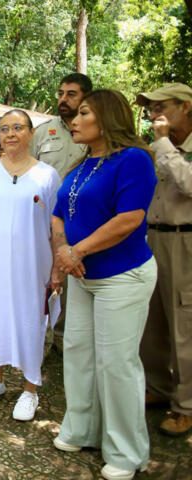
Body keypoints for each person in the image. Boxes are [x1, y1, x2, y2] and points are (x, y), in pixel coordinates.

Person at [51, 90, 157, 480]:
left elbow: (130, 218)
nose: (74, 120)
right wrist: (64, 251)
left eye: (83, 113)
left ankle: (127, 452)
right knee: (78, 354)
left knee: (117, 365)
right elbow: (59, 215)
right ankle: (82, 428)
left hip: (122, 277)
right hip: (83, 276)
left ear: (107, 118)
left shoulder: (133, 160)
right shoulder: (80, 166)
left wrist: (75, 252)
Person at [0, 110, 60, 421]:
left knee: (32, 321)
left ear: (31, 133)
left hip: (33, 266)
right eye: (4, 128)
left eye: (18, 127)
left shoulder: (47, 175)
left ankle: (30, 390)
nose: (10, 134)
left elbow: (57, 227)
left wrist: (58, 267)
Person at [135, 82, 192, 437]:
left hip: (185, 241)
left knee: (185, 325)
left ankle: (186, 405)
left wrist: (164, 146)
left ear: (186, 106)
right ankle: (157, 386)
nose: (154, 114)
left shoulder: (169, 147)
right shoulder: (159, 147)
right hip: (153, 238)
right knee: (153, 319)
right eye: (151, 108)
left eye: (162, 106)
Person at [31, 72, 93, 355]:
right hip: (45, 222)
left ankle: (71, 344)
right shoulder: (43, 132)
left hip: (85, 224)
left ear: (86, 98)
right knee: (45, 281)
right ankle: (42, 342)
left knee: (78, 284)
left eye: (71, 94)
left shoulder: (96, 130)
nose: (63, 99)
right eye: (60, 93)